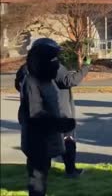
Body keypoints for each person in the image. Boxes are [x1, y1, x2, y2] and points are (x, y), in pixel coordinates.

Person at [15, 54, 91, 178]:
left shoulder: (25, 68)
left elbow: (18, 85)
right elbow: (70, 81)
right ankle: (70, 170)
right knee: (67, 140)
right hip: (58, 111)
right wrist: (86, 66)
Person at [18, 38, 75, 196]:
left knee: (43, 177)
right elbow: (35, 113)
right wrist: (61, 124)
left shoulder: (46, 80)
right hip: (36, 141)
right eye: (52, 59)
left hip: (47, 139)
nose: (56, 63)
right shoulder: (31, 81)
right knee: (37, 180)